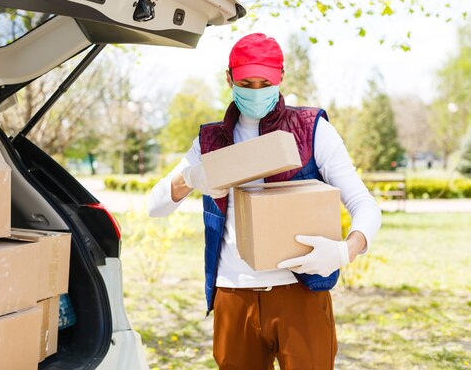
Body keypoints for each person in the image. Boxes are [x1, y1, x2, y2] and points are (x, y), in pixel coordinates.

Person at [147, 33, 382, 370]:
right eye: (246, 82)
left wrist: (347, 249)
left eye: (264, 82)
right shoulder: (210, 140)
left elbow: (364, 204)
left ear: (280, 78)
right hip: (233, 295)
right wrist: (190, 178)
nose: (256, 91)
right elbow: (155, 206)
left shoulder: (311, 129)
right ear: (229, 78)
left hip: (299, 292)